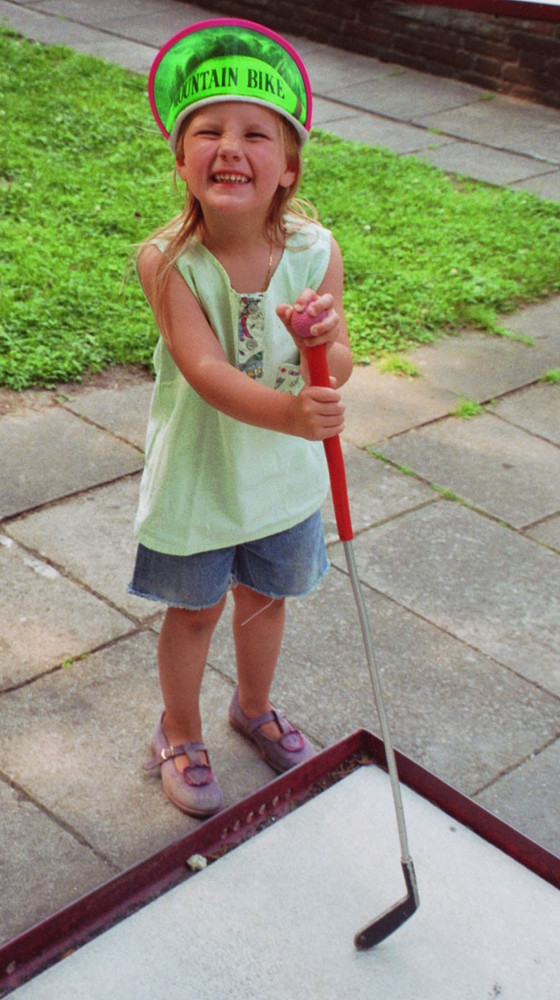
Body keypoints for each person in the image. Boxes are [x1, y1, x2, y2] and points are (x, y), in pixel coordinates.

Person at [129, 19, 353, 818]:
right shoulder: (168, 261)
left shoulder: (313, 248)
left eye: (255, 133)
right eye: (208, 131)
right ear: (181, 159)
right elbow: (208, 371)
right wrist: (296, 414)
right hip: (201, 474)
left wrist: (322, 344)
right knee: (194, 610)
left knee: (266, 599)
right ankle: (179, 731)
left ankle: (251, 706)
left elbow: (342, 358)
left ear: (287, 165)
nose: (230, 145)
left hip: (279, 482)